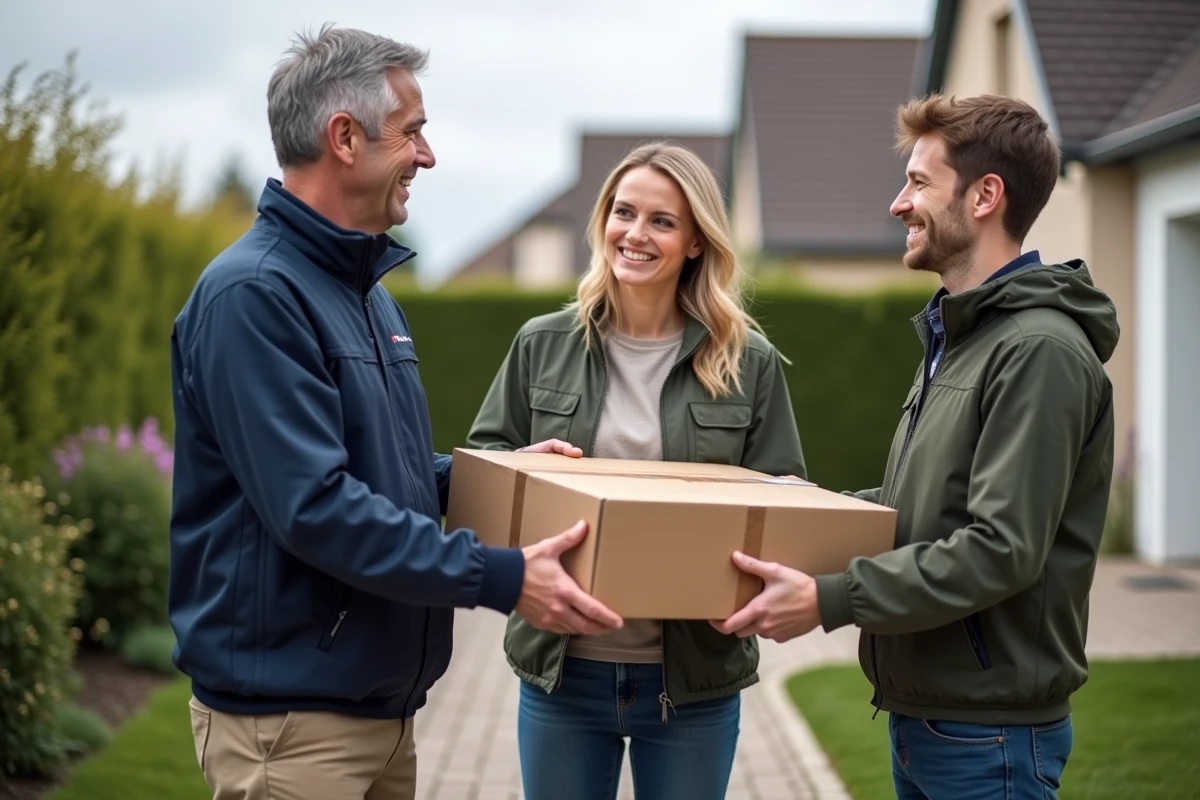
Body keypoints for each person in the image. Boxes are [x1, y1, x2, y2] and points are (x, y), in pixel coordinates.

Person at [168, 25, 621, 800]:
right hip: (293, 727)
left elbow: (384, 473)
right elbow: (316, 507)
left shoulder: (363, 292)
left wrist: (494, 476)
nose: (428, 155)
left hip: (377, 715)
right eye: (412, 132)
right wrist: (502, 576)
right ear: (344, 137)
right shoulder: (255, 297)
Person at [714, 93, 1120, 799]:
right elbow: (923, 508)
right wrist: (804, 508)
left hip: (989, 736)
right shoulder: (961, 338)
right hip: (934, 720)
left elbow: (1000, 549)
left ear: (986, 195)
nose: (899, 203)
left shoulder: (1037, 351)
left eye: (919, 182)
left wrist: (829, 599)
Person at [466, 142, 806, 800]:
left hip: (692, 681)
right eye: (625, 212)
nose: (636, 234)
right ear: (603, 222)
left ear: (697, 243)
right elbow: (482, 477)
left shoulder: (748, 361)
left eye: (662, 221)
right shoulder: (542, 343)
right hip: (563, 672)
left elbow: (784, 505)